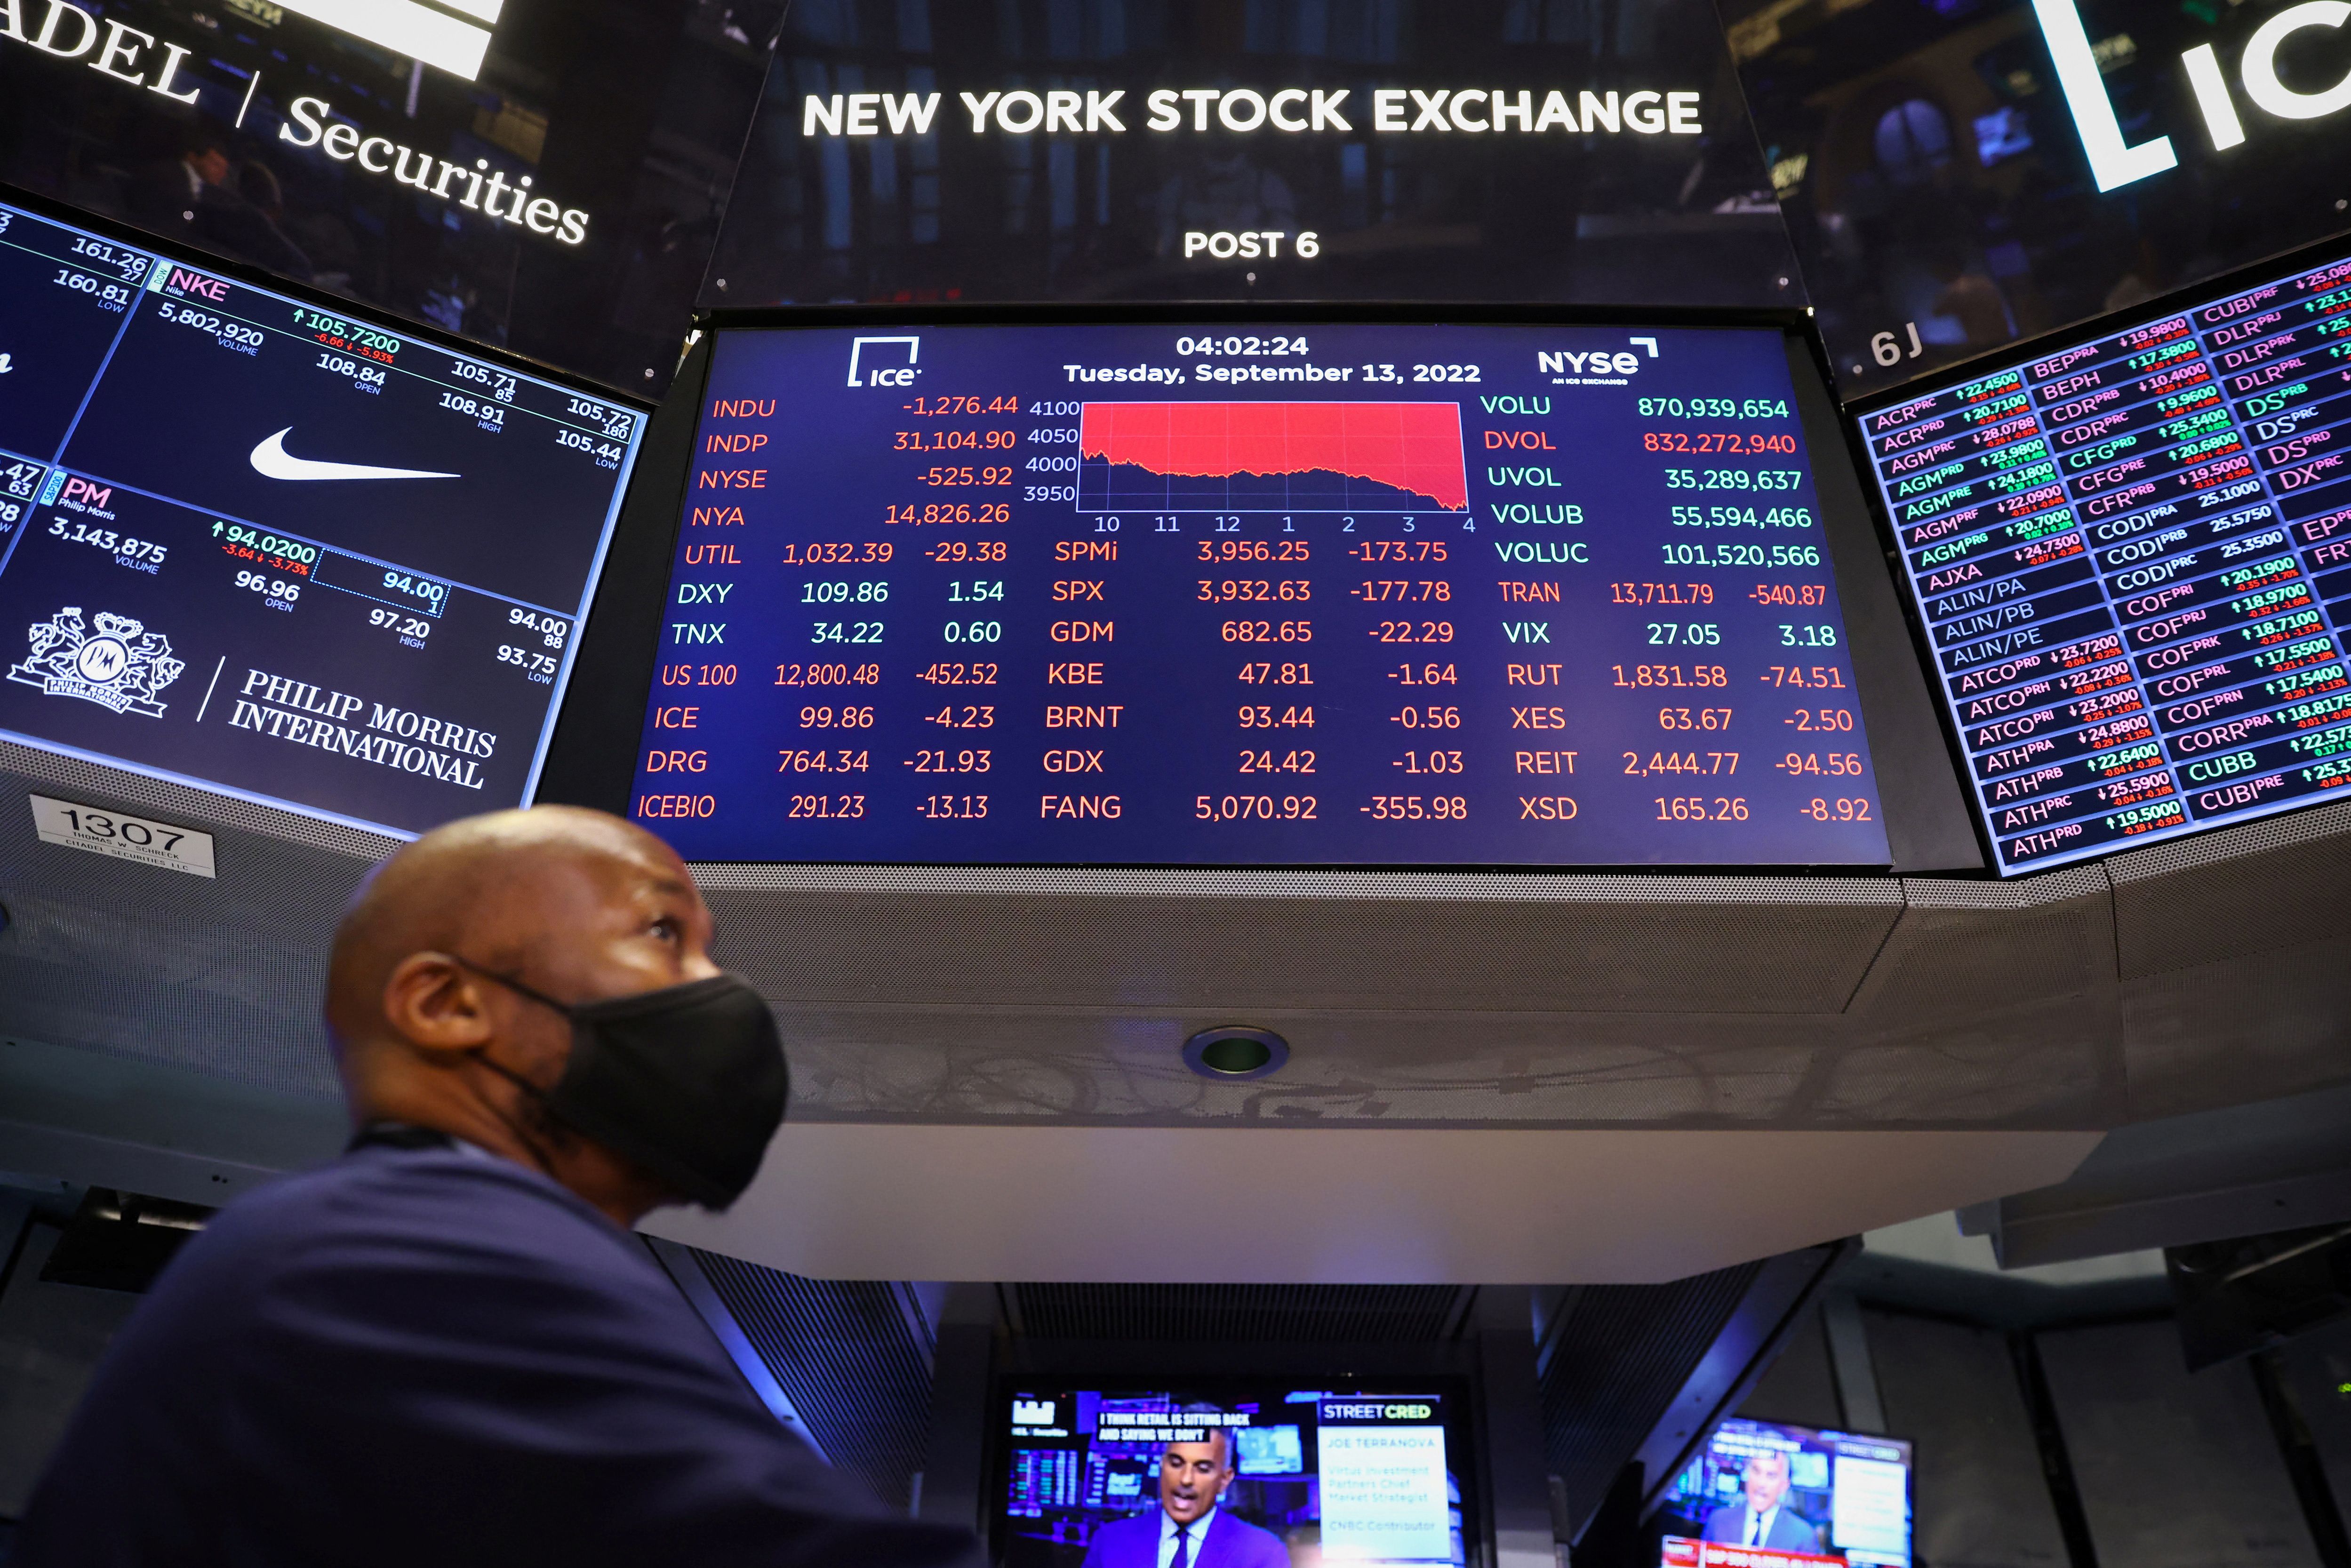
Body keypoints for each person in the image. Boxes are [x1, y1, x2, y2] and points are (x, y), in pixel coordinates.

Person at [13, 806, 987, 1568]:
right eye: (662, 934)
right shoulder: (409, 1255)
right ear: (446, 1003)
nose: (719, 992)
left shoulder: (369, 1241)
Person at [1080, 1412, 1288, 1568]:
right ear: (1162, 1465)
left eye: (1203, 1469)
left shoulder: (1263, 1553)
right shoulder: (1110, 1542)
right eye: (1176, 1463)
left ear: (1225, 1479)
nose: (1186, 1479)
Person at [1702, 1450, 1823, 1553]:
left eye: (1771, 1476)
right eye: (1756, 1471)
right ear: (1747, 1474)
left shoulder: (1803, 1536)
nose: (1761, 1484)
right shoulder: (1718, 1521)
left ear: (1784, 1485)